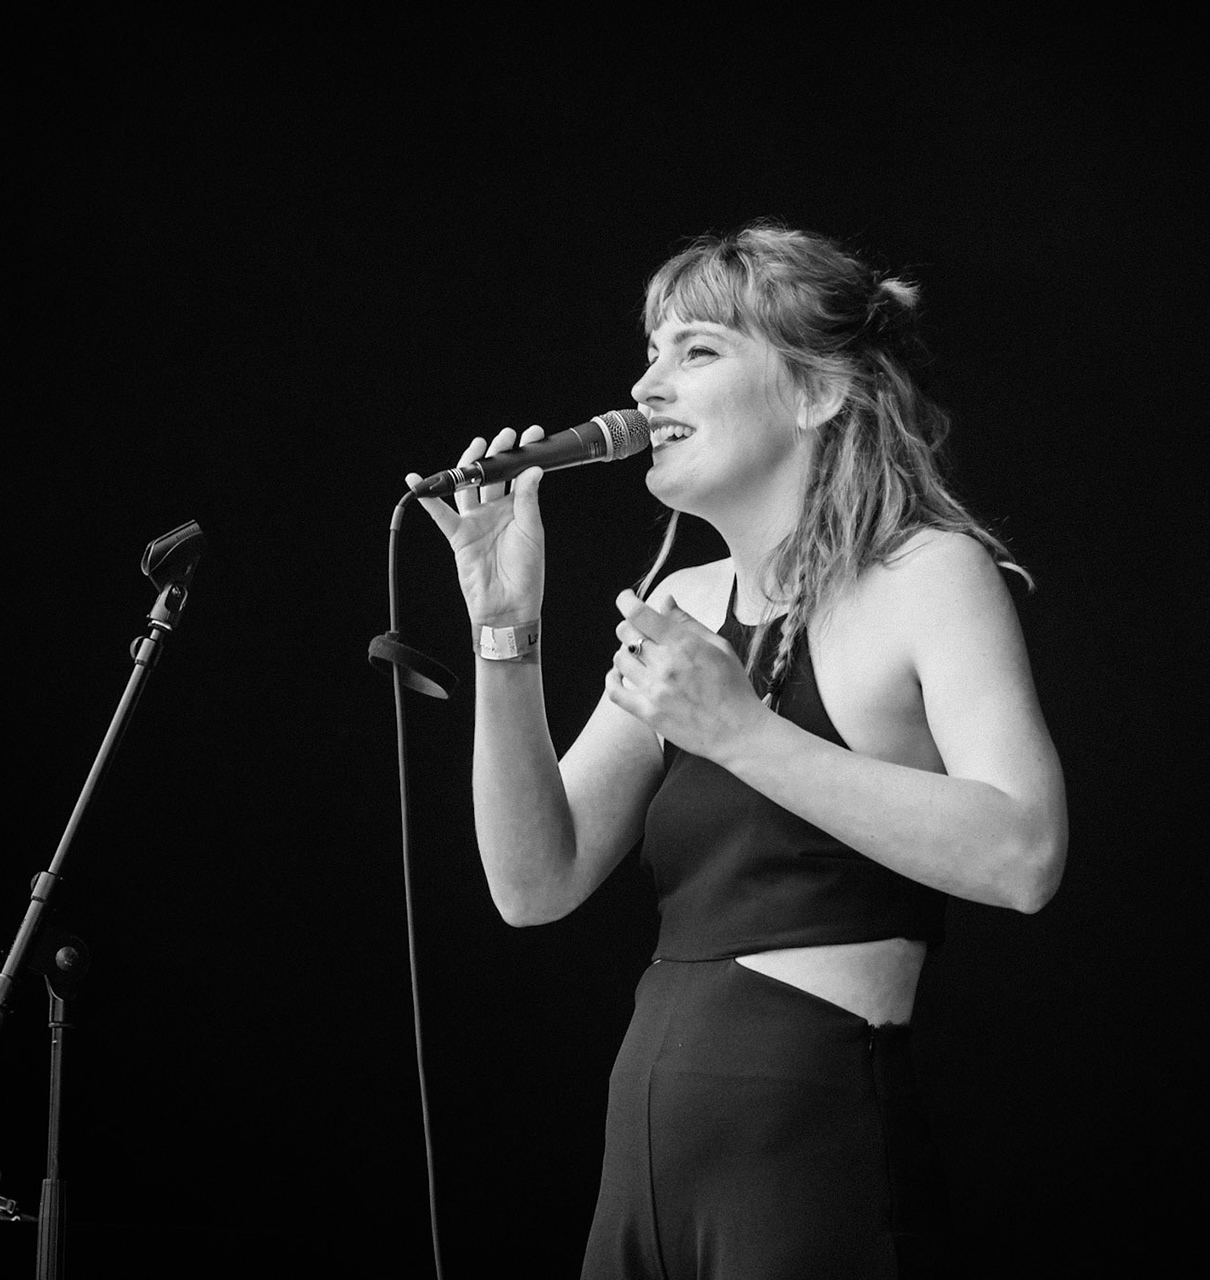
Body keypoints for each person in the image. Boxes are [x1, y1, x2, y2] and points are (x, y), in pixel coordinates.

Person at [405, 221, 1067, 1279]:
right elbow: (534, 880)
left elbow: (1024, 853)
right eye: (652, 350)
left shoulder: (929, 575)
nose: (646, 382)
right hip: (646, 1153)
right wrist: (505, 627)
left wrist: (746, 734)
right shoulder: (681, 604)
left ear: (818, 392)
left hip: (804, 1150)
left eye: (696, 350)